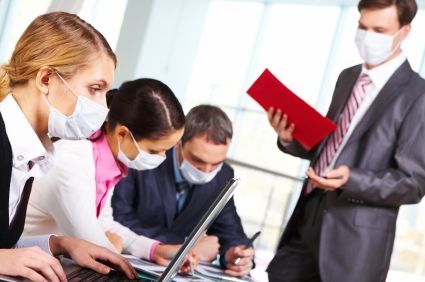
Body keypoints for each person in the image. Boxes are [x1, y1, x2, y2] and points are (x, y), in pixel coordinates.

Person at [266, 1, 425, 281]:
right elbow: (332, 145)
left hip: (354, 245)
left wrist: (352, 179)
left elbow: (413, 183)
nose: (368, 37)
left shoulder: (417, 95)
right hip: (305, 224)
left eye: (379, 30)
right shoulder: (348, 77)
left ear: (405, 31)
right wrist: (290, 139)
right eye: (363, 27)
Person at [0, 12, 136, 281]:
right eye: (94, 89)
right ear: (46, 79)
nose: (102, 107)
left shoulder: (28, 150)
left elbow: (5, 250)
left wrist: (59, 244)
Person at [24, 78, 192, 267]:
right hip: (20, 266)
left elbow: (103, 223)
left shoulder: (105, 159)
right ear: (122, 134)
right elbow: (95, 248)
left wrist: (154, 249)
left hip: (44, 263)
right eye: (154, 151)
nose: (163, 157)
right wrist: (114, 248)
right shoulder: (73, 159)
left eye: (167, 150)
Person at [112, 105, 255, 277]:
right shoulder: (146, 156)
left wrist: (236, 255)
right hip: (124, 262)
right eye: (197, 160)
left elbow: (231, 231)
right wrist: (188, 245)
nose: (207, 170)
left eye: (217, 163)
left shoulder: (223, 175)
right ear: (178, 142)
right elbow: (118, 215)